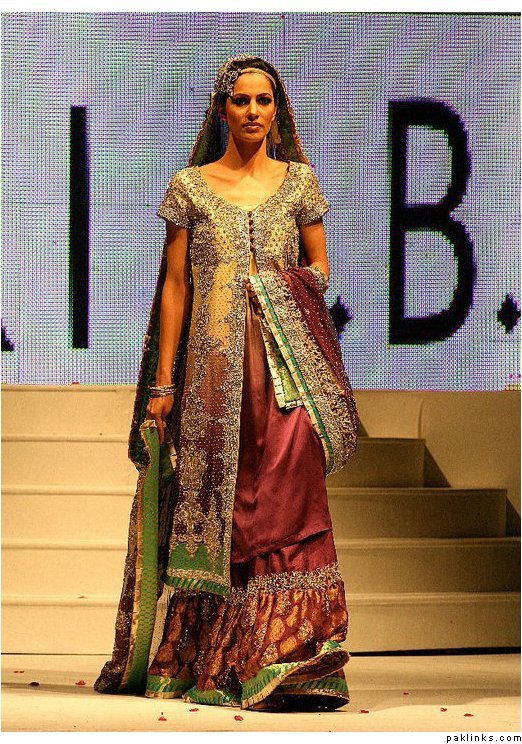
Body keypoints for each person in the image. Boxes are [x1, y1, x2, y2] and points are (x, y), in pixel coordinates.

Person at [94, 54, 359, 712]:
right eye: (240, 100)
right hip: (212, 379)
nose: (253, 112)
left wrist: (277, 288)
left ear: (278, 109)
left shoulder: (299, 183)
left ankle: (290, 654)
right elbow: (175, 287)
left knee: (290, 497)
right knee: (226, 508)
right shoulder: (190, 186)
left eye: (263, 100)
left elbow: (320, 268)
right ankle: (223, 657)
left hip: (286, 369)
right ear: (221, 110)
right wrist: (162, 385)